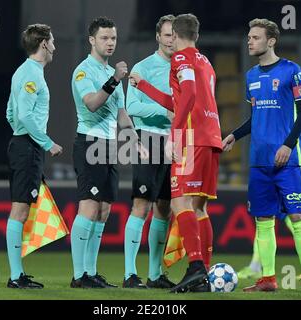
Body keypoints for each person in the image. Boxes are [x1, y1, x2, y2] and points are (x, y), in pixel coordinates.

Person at [222, 18, 301, 293]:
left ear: (271, 41)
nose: (249, 41)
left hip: (287, 160)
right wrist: (233, 135)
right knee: (263, 221)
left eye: (255, 37)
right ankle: (268, 279)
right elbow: (255, 118)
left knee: (298, 217)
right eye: (249, 37)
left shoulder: (292, 71)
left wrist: (288, 145)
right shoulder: (251, 76)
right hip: (259, 161)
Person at [130, 13, 222, 293]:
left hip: (191, 140)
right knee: (199, 207)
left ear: (176, 34)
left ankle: (195, 267)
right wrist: (144, 86)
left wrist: (175, 134)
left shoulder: (181, 59)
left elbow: (189, 96)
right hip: (211, 137)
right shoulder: (205, 62)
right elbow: (181, 100)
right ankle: (203, 274)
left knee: (179, 204)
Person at [70, 16, 148, 289]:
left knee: (103, 210)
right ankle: (79, 276)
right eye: (104, 38)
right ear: (92, 40)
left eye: (113, 38)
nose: (110, 42)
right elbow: (91, 103)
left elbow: (122, 113)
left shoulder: (111, 72)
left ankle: (91, 272)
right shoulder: (84, 71)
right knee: (89, 207)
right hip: (89, 142)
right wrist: (115, 79)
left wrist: (135, 140)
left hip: (110, 146)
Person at [5, 24, 63, 289]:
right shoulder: (31, 74)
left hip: (23, 144)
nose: (54, 46)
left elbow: (10, 112)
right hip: (27, 147)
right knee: (19, 210)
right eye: (52, 41)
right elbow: (25, 116)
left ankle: (18, 273)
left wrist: (21, 135)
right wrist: (46, 142)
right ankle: (15, 277)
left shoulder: (23, 72)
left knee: (23, 208)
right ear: (43, 44)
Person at [123, 14, 176, 289]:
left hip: (175, 143)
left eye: (174, 35)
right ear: (158, 36)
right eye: (167, 35)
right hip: (148, 140)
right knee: (141, 205)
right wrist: (164, 111)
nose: (171, 40)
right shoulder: (141, 68)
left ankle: (155, 274)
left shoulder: (183, 67)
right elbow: (132, 107)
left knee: (165, 209)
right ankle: (130, 274)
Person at [237, 124, 301, 280]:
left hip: (285, 167)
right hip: (274, 166)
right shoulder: (271, 118)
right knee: (268, 220)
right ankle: (256, 267)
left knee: (291, 219)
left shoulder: (286, 115)